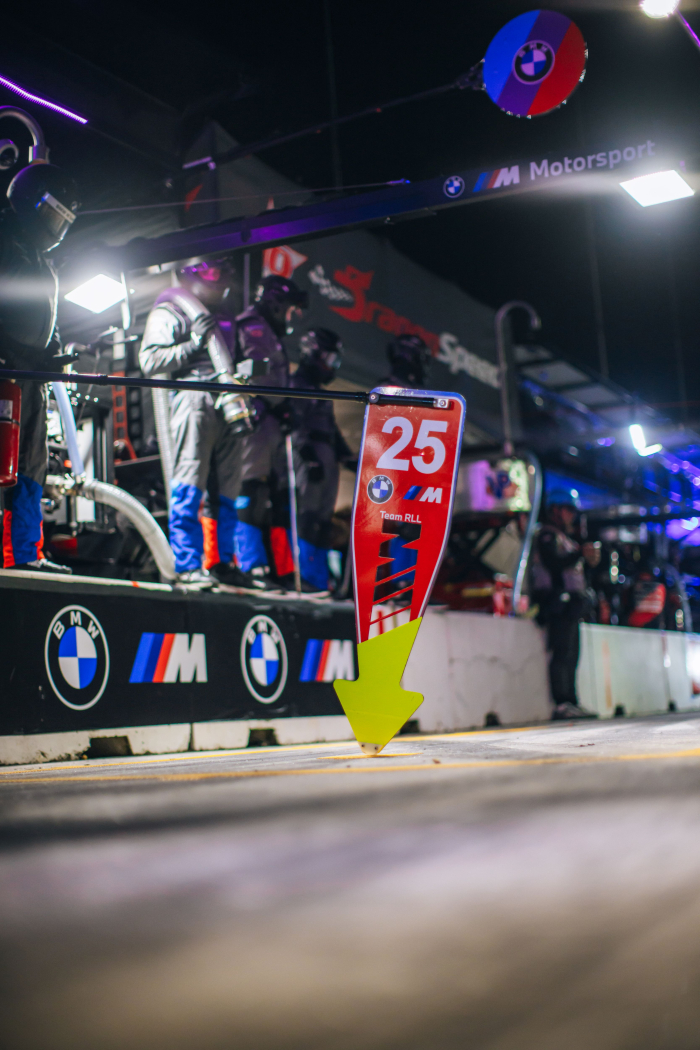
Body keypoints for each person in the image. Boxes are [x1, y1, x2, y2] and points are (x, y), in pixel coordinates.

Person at [139, 258, 257, 588]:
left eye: (221, 272)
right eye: (210, 272)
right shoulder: (172, 309)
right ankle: (188, 565)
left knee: (228, 491)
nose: (216, 279)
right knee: (189, 483)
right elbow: (149, 360)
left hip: (229, 401)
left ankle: (221, 563)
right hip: (194, 398)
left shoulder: (228, 316)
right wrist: (193, 342)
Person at [1, 162, 79, 573]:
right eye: (52, 214)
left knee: (31, 465)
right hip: (5, 375)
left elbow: (48, 319)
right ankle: (8, 555)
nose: (55, 228)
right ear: (30, 202)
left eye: (62, 220)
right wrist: (18, 355)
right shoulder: (4, 241)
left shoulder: (42, 262)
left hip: (31, 380)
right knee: (2, 462)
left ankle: (25, 554)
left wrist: (54, 353)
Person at [232, 274, 308, 584]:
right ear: (276, 304)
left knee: (276, 498)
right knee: (250, 490)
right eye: (288, 310)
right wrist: (279, 403)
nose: (290, 317)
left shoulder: (269, 332)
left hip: (271, 423)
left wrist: (284, 408)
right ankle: (250, 564)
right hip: (256, 419)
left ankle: (283, 569)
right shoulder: (253, 326)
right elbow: (257, 373)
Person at [271, 328, 355, 593]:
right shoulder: (297, 386)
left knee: (322, 521)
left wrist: (348, 457)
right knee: (305, 518)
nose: (332, 367)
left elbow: (332, 429)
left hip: (326, 459)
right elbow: (293, 424)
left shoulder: (319, 392)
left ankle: (319, 579)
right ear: (313, 355)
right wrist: (308, 457)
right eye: (329, 359)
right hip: (307, 461)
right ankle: (304, 575)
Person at [531, 493, 599, 720]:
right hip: (557, 603)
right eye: (568, 510)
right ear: (556, 510)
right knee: (562, 652)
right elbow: (553, 564)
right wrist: (579, 554)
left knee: (572, 653)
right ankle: (562, 703)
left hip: (572, 605)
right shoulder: (547, 535)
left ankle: (572, 700)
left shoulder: (566, 538)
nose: (572, 515)